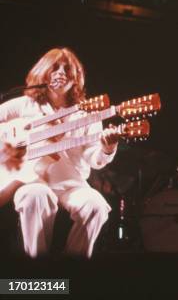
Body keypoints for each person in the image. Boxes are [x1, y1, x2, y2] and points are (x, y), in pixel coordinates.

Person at [0, 48, 120, 257]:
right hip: (30, 181)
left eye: (68, 69)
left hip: (71, 185)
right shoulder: (23, 106)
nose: (61, 72)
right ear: (43, 73)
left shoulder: (87, 113)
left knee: (96, 206)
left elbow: (95, 159)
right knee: (34, 195)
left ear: (76, 79)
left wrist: (107, 148)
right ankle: (37, 267)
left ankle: (72, 267)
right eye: (55, 67)